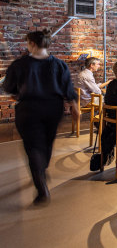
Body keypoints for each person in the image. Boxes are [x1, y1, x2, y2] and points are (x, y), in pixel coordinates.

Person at [3, 29, 80, 205]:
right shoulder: (59, 65)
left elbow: (9, 87)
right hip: (53, 109)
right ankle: (42, 169)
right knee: (47, 142)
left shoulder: (20, 64)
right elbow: (68, 89)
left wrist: (19, 94)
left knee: (33, 147)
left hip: (29, 109)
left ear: (32, 44)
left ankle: (41, 187)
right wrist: (75, 107)